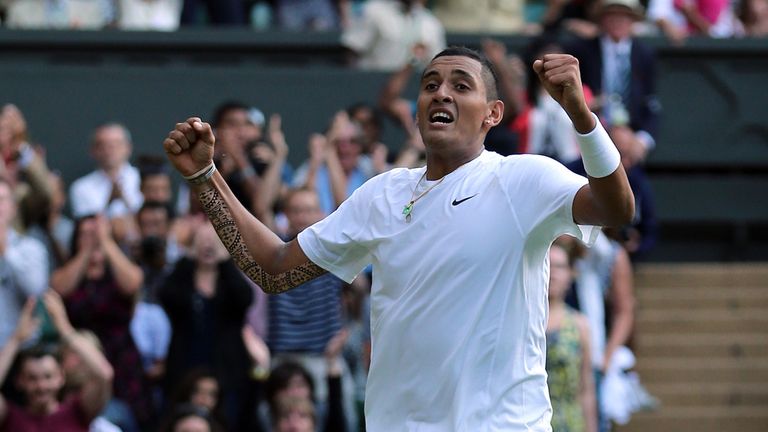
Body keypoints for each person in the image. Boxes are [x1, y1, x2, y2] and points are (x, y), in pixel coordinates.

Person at [162, 46, 634, 430]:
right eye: (430, 85)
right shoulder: (383, 194)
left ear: (493, 113)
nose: (440, 94)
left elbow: (617, 209)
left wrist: (580, 114)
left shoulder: (522, 180)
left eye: (460, 85)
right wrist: (205, 176)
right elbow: (272, 268)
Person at [0, 291, 114, 432]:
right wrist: (15, 340)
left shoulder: (77, 412)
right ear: (19, 380)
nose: (41, 386)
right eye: (32, 378)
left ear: (61, 377)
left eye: (48, 376)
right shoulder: (10, 418)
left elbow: (104, 374)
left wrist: (66, 330)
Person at [547, 242, 598, 432]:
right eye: (548, 265)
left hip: (568, 423)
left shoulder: (579, 325)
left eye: (559, 266)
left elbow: (586, 389)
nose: (552, 273)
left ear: (570, 273)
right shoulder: (521, 322)